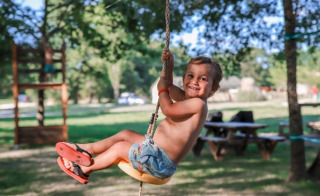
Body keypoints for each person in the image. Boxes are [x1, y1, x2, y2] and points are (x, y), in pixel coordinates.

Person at [55, 48, 223, 184]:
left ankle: (83, 170)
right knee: (125, 134)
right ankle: (87, 149)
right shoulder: (188, 98)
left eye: (202, 79)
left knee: (120, 148)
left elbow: (168, 108)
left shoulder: (198, 104)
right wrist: (169, 66)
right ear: (184, 77)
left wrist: (163, 90)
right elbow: (168, 84)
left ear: (213, 89)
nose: (194, 81)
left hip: (160, 161)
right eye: (190, 76)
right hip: (154, 150)